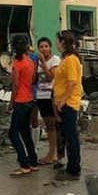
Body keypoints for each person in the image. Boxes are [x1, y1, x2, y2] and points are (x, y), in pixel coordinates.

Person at [53, 30, 82, 181]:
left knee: (71, 136)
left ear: (63, 42)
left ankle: (73, 169)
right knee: (67, 135)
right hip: (62, 102)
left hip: (69, 103)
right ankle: (71, 166)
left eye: (57, 41)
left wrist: (63, 99)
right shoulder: (65, 59)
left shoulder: (71, 60)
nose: (56, 44)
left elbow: (72, 82)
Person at [8, 35, 38, 176]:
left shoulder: (17, 63)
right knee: (25, 132)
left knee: (13, 134)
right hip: (30, 99)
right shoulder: (30, 61)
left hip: (20, 100)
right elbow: (32, 79)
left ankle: (24, 163)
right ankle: (33, 162)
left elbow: (15, 85)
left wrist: (11, 102)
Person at [35, 37, 61, 165]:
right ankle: (51, 153)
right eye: (41, 46)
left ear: (50, 47)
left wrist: (43, 63)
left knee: (52, 126)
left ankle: (53, 153)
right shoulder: (37, 62)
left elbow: (51, 77)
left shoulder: (55, 60)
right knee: (48, 126)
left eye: (46, 46)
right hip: (40, 96)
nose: (44, 49)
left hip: (51, 96)